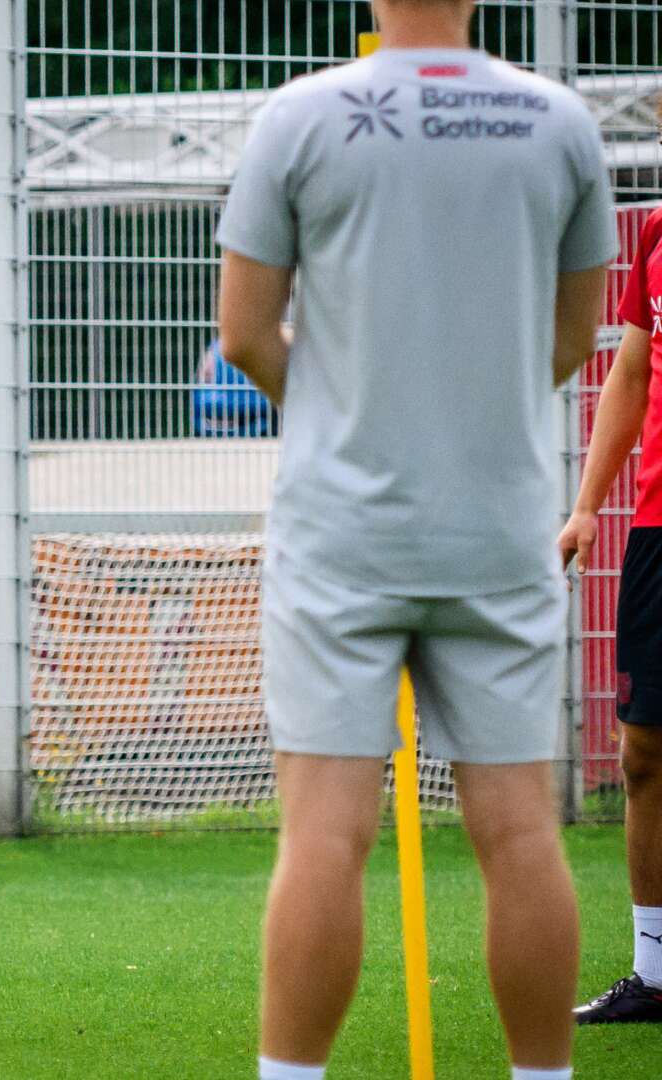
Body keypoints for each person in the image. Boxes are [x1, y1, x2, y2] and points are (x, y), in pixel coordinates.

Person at [214, 2, 617, 1077]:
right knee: (520, 831)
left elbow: (243, 334)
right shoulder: (559, 122)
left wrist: (348, 415)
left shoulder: (300, 118)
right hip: (498, 527)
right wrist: (474, 418)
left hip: (343, 530)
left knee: (324, 833)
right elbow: (574, 336)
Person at [559, 120, 662, 1025]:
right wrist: (588, 504)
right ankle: (657, 973)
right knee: (644, 753)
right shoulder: (659, 233)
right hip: (659, 532)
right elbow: (630, 373)